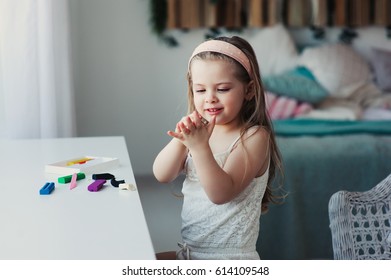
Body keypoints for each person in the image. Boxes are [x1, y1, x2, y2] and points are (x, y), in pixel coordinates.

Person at [153, 36, 283, 260]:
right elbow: (162, 174)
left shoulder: (254, 137)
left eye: (222, 89)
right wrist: (182, 139)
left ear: (249, 90)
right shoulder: (198, 133)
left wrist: (199, 147)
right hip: (191, 253)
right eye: (201, 90)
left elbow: (221, 193)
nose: (210, 99)